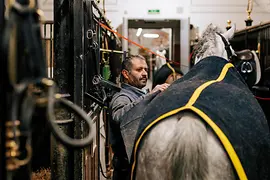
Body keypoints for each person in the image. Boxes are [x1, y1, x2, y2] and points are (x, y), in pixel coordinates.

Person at [109, 55, 169, 180]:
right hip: (126, 169)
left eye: (146, 69)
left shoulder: (140, 94)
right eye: (139, 69)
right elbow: (118, 117)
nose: (144, 73)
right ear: (126, 74)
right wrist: (149, 96)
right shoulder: (122, 97)